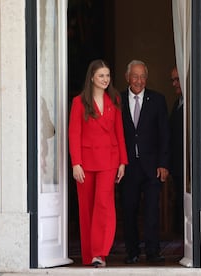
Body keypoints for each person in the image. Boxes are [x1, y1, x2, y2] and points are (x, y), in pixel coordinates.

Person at [68, 59, 128, 268]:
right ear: (92, 77)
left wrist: (123, 161)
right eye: (101, 75)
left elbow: (119, 132)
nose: (105, 79)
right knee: (86, 208)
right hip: (85, 162)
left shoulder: (115, 99)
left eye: (108, 75)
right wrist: (76, 163)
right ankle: (89, 255)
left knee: (104, 205)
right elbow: (74, 134)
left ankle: (99, 252)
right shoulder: (79, 102)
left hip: (109, 161)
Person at [119, 60, 170, 264]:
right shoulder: (117, 100)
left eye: (142, 77)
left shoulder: (157, 100)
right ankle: (132, 252)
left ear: (146, 78)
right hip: (127, 166)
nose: (139, 81)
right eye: (135, 76)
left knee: (151, 211)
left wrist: (163, 163)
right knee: (129, 210)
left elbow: (164, 134)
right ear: (127, 77)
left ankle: (152, 251)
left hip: (152, 167)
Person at [169, 66, 184, 234]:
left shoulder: (189, 103)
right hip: (177, 163)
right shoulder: (177, 103)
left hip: (186, 163)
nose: (174, 84)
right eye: (172, 80)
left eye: (177, 79)